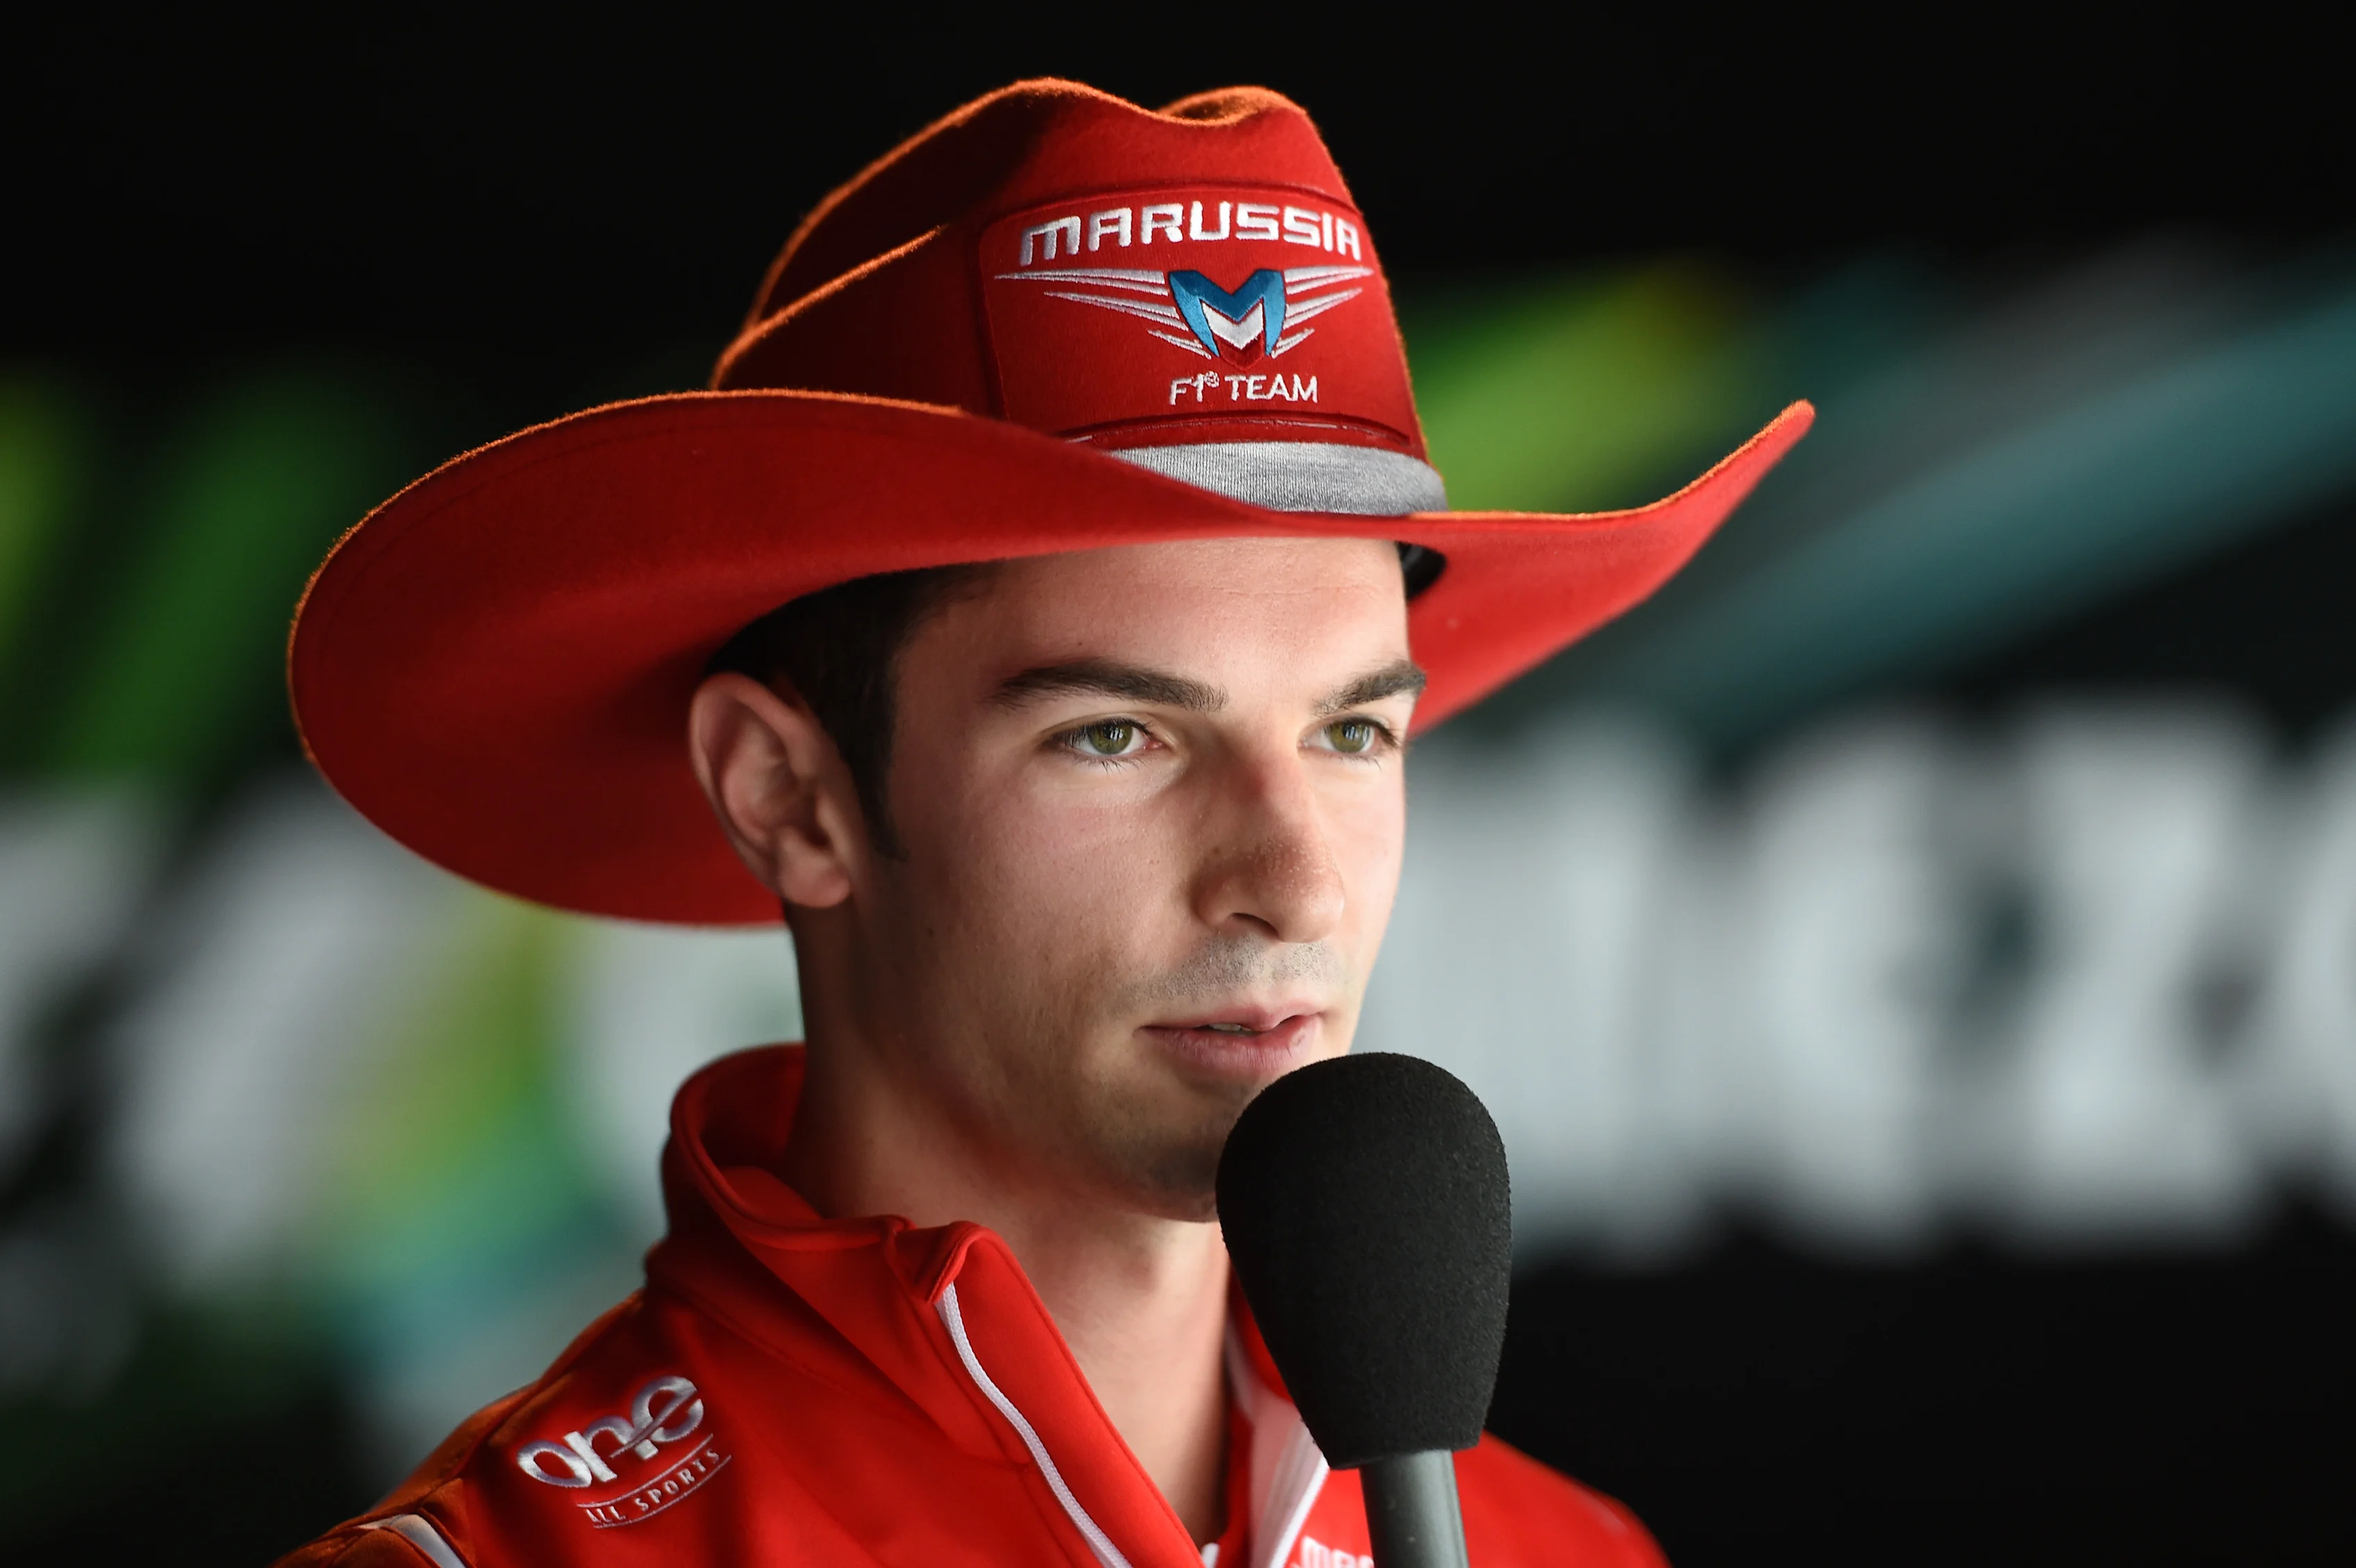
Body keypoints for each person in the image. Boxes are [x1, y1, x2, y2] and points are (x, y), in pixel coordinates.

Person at [277, 77, 1809, 1568]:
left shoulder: (1574, 1551)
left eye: (1350, 730)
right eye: (1117, 735)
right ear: (786, 793)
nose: (1293, 885)